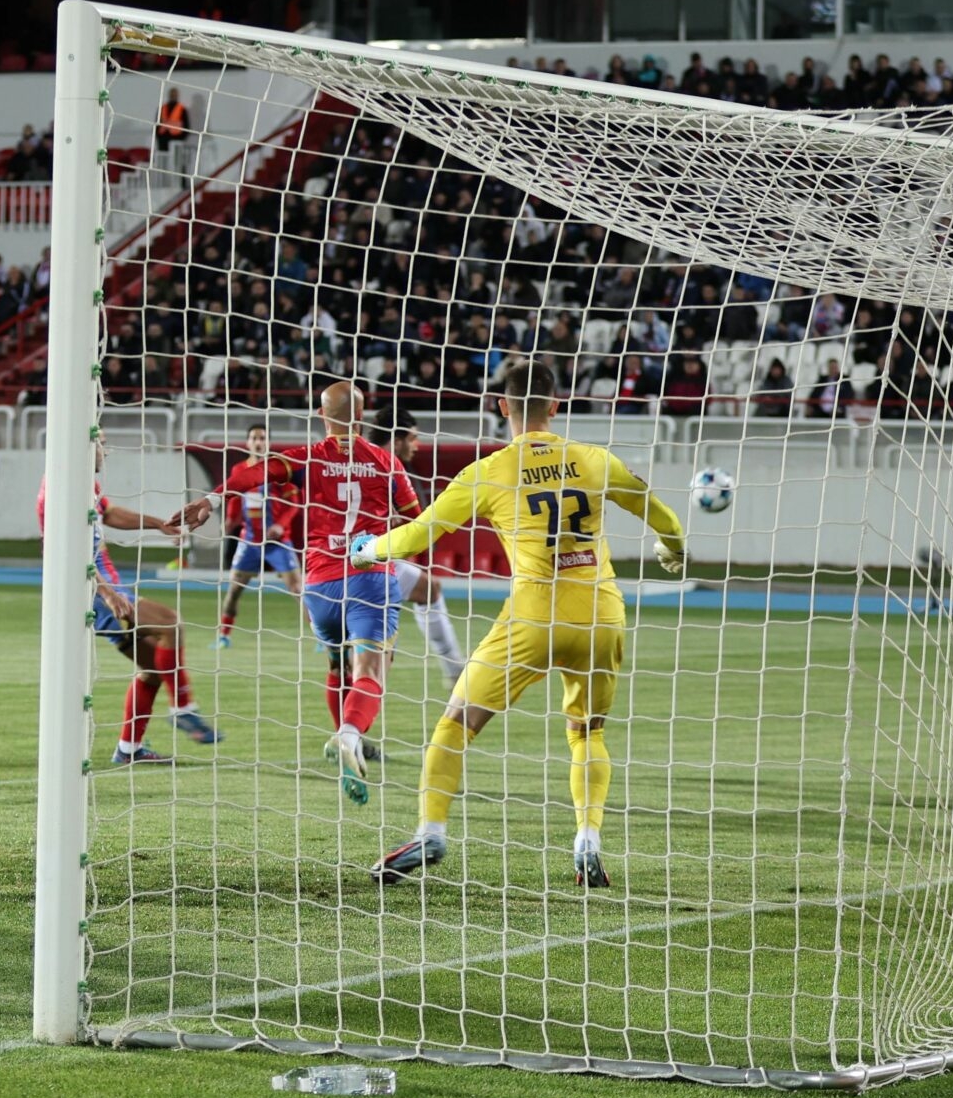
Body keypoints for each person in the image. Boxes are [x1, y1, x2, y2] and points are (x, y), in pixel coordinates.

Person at [349, 357, 686, 890]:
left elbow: (416, 536)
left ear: (502, 406)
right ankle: (587, 839)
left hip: (534, 615)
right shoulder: (594, 459)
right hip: (601, 616)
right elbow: (660, 513)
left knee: (457, 722)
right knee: (588, 732)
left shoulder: (489, 470)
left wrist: (368, 550)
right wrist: (673, 548)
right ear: (556, 406)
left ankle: (431, 831)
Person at [269, 382, 418, 804]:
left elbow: (260, 473)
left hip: (319, 584)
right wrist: (389, 534)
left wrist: (214, 496)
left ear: (321, 415)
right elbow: (418, 525)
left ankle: (346, 738)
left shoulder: (308, 458)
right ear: (363, 415)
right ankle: (350, 737)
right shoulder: (384, 461)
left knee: (338, 664)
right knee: (372, 669)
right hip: (369, 575)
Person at [40, 466, 219, 765]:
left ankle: (128, 749)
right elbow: (65, 552)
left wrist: (158, 524)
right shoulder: (61, 487)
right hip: (95, 592)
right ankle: (183, 708)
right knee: (170, 624)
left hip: (103, 590)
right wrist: (108, 594)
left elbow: (109, 514)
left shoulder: (83, 481)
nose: (104, 450)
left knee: (154, 669)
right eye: (101, 445)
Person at [383, 422, 468, 687]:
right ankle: (455, 670)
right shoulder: (381, 465)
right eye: (413, 438)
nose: (417, 445)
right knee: (374, 654)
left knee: (428, 589)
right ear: (397, 441)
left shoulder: (366, 461)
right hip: (362, 562)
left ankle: (455, 669)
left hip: (362, 560)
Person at [213, 424, 300, 644]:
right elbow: (235, 497)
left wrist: (280, 525)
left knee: (298, 589)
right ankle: (223, 637)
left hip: (278, 542)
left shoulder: (278, 468)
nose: (258, 442)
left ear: (268, 442)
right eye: (254, 438)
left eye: (262, 438)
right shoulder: (239, 470)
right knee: (234, 589)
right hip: (249, 541)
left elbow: (294, 503)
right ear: (248, 442)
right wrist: (230, 521)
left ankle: (322, 638)